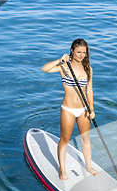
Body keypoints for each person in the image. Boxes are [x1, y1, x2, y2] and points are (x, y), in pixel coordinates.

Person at [41, 39, 99, 181]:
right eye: (78, 52)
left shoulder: (88, 68)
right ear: (72, 51)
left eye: (84, 53)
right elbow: (45, 69)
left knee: (85, 139)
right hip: (68, 109)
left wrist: (91, 108)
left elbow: (89, 90)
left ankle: (89, 166)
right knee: (65, 140)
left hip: (83, 109)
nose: (81, 55)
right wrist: (59, 60)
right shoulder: (64, 67)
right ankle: (62, 169)